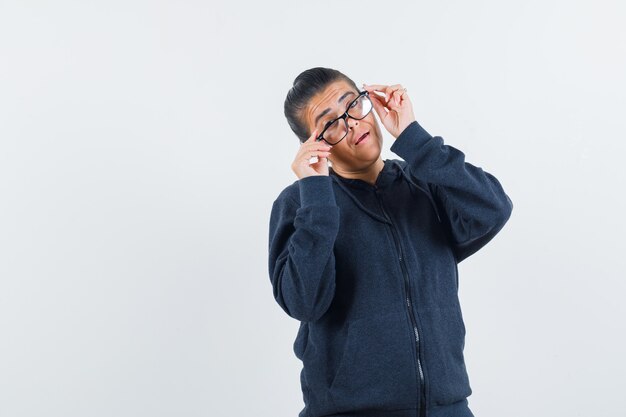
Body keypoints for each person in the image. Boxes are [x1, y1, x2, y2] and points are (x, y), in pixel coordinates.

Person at [268, 67, 513, 417]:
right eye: (330, 123)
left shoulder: (425, 183)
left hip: (448, 407)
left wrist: (415, 139)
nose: (352, 124)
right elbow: (302, 302)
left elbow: (493, 208)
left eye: (352, 105)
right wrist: (318, 197)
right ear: (313, 144)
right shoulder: (301, 204)